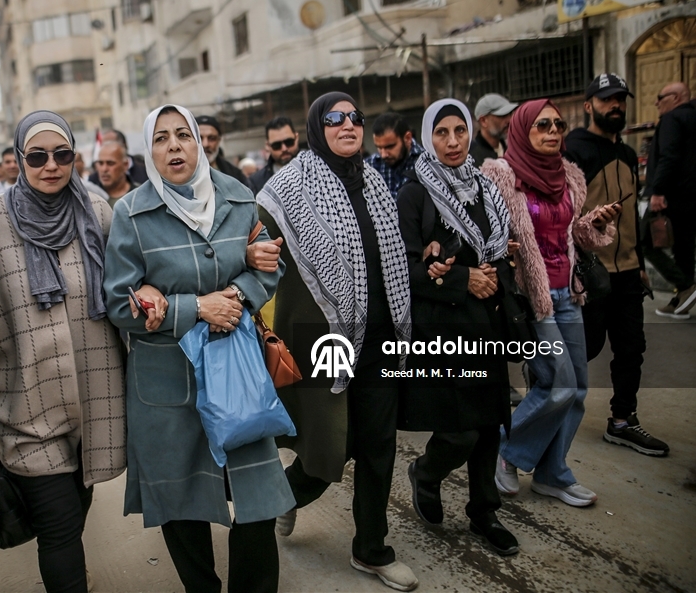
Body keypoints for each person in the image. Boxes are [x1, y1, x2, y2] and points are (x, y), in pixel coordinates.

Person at [104, 103, 293, 593]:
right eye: (161, 138)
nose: (174, 146)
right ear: (149, 150)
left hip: (236, 375)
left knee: (257, 503)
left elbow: (270, 267)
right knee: (182, 507)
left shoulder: (237, 196)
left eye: (183, 135)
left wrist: (234, 296)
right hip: (168, 385)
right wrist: (195, 308)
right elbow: (119, 305)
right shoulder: (132, 213)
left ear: (199, 142)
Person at [256, 93, 418, 591]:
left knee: (378, 446)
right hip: (323, 342)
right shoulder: (285, 190)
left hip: (381, 338)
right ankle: (282, 497)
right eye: (334, 118)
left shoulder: (375, 182)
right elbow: (256, 259)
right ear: (315, 126)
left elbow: (391, 258)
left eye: (355, 118)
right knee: (328, 453)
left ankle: (371, 549)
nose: (348, 125)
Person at [0, 110, 126, 593]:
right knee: (57, 528)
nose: (50, 165)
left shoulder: (97, 213)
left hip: (95, 400)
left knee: (74, 512)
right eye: (37, 155)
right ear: (18, 159)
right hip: (25, 403)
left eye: (62, 154)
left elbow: (123, 294)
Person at [396, 98, 519, 556]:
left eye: (460, 131)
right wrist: (466, 278)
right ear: (428, 136)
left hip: (487, 323)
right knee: (462, 429)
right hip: (443, 328)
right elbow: (404, 268)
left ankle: (484, 512)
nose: (452, 141)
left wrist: (494, 269)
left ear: (471, 133)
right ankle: (426, 473)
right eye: (442, 132)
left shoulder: (486, 188)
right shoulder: (414, 193)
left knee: (489, 425)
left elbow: (498, 249)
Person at [481, 99, 618, 508]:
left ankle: (552, 473)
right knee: (557, 384)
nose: (554, 131)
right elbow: (486, 230)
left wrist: (593, 224)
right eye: (543, 125)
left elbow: (572, 234)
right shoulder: (500, 176)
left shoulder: (570, 175)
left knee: (576, 391)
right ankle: (505, 450)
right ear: (523, 130)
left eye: (558, 124)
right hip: (532, 297)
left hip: (568, 293)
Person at [564, 74, 669, 457]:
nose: (617, 107)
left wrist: (639, 263)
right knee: (586, 348)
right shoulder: (575, 150)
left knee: (631, 348)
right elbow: (565, 212)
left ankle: (623, 420)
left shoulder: (626, 155)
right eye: (608, 100)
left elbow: (631, 220)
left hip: (626, 270)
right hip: (592, 271)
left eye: (621, 100)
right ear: (590, 104)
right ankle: (550, 407)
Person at [643, 82, 696, 318]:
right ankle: (681, 302)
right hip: (693, 196)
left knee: (644, 241)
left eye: (660, 97)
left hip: (670, 196)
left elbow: (669, 156)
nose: (656, 102)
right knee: (684, 248)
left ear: (675, 97)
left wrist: (657, 191)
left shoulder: (672, 119)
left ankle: (685, 287)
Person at [364, 112, 424, 198]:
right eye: (379, 148)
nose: (384, 155)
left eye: (389, 147)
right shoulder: (370, 166)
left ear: (407, 138)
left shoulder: (426, 163)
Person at [249, 116, 301, 194]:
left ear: (296, 137)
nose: (284, 148)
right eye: (276, 145)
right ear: (267, 145)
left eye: (289, 142)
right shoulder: (256, 182)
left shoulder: (314, 168)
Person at [195, 115, 248, 184]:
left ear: (219, 140)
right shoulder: (180, 174)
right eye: (199, 138)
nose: (205, 144)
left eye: (211, 138)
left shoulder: (235, 175)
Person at [471, 94, 518, 166]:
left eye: (510, 114)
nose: (509, 120)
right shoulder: (473, 159)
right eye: (502, 115)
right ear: (483, 121)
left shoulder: (512, 150)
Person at [94, 140, 139, 207]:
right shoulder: (91, 198)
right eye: (100, 163)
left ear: (125, 165)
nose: (104, 169)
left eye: (110, 163)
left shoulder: (140, 194)